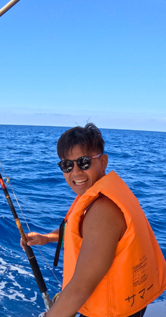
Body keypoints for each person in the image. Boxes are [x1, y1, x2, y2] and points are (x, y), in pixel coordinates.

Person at [23, 123, 166, 317]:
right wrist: (47, 238)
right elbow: (87, 235)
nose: (75, 172)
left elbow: (81, 288)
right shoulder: (101, 196)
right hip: (129, 305)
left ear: (103, 162)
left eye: (83, 162)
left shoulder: (102, 212)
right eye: (66, 165)